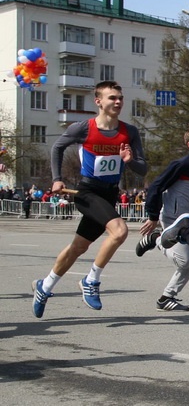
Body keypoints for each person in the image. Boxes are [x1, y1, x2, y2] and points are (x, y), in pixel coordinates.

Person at [31, 80, 147, 318]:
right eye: (112, 98)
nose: (117, 102)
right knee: (120, 231)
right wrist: (57, 179)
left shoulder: (130, 132)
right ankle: (91, 280)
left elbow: (143, 169)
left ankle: (45, 286)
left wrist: (129, 161)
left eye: (120, 98)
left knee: (78, 247)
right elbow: (57, 148)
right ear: (98, 101)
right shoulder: (84, 128)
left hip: (109, 194)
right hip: (87, 192)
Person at [137, 127, 189, 311]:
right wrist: (152, 216)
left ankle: (167, 297)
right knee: (184, 260)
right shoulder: (181, 165)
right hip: (172, 219)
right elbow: (156, 187)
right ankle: (156, 239)